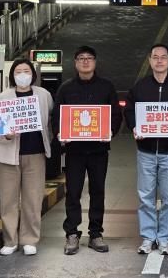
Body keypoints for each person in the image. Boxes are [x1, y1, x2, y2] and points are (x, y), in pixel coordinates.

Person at [123, 44, 168, 256]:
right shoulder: (140, 87)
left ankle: (164, 238)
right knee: (145, 197)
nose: (159, 61)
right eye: (155, 57)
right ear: (149, 60)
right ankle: (148, 237)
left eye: (163, 57)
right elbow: (130, 110)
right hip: (145, 151)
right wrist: (134, 126)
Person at [52, 46, 122, 255]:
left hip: (98, 150)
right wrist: (59, 133)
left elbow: (115, 114)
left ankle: (95, 234)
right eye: (81, 58)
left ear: (95, 62)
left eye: (89, 58)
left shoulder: (106, 87)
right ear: (75, 63)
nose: (85, 61)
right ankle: (72, 233)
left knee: (97, 191)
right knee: (73, 192)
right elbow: (57, 116)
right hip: (74, 150)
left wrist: (110, 131)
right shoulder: (66, 88)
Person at [0, 59, 54, 256]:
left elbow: (50, 119)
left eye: (26, 71)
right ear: (12, 75)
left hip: (35, 154)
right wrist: (6, 135)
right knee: (9, 200)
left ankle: (29, 240)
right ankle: (10, 240)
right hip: (8, 156)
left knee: (33, 200)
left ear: (33, 74)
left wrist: (50, 140)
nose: (22, 75)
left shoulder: (43, 95)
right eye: (18, 71)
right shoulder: (4, 96)